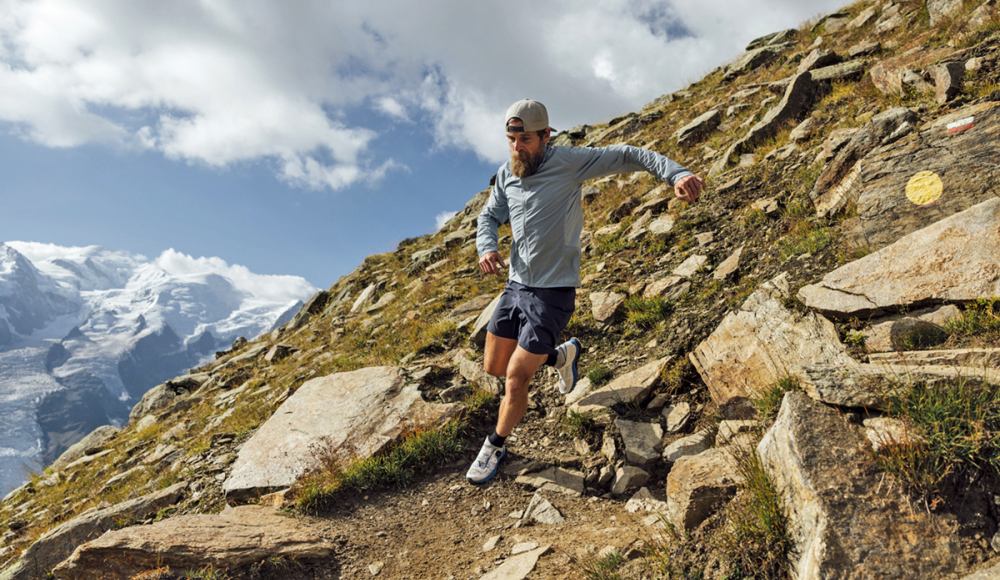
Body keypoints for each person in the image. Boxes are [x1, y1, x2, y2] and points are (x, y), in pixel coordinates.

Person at [466, 98, 704, 484]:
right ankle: (561, 357)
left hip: (552, 293)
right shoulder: (507, 174)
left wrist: (676, 174)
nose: (516, 147)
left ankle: (495, 445)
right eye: (511, 138)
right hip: (515, 286)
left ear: (545, 135)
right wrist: (486, 246)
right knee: (494, 366)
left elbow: (628, 154)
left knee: (514, 378)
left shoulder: (570, 162)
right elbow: (490, 215)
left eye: (525, 139)